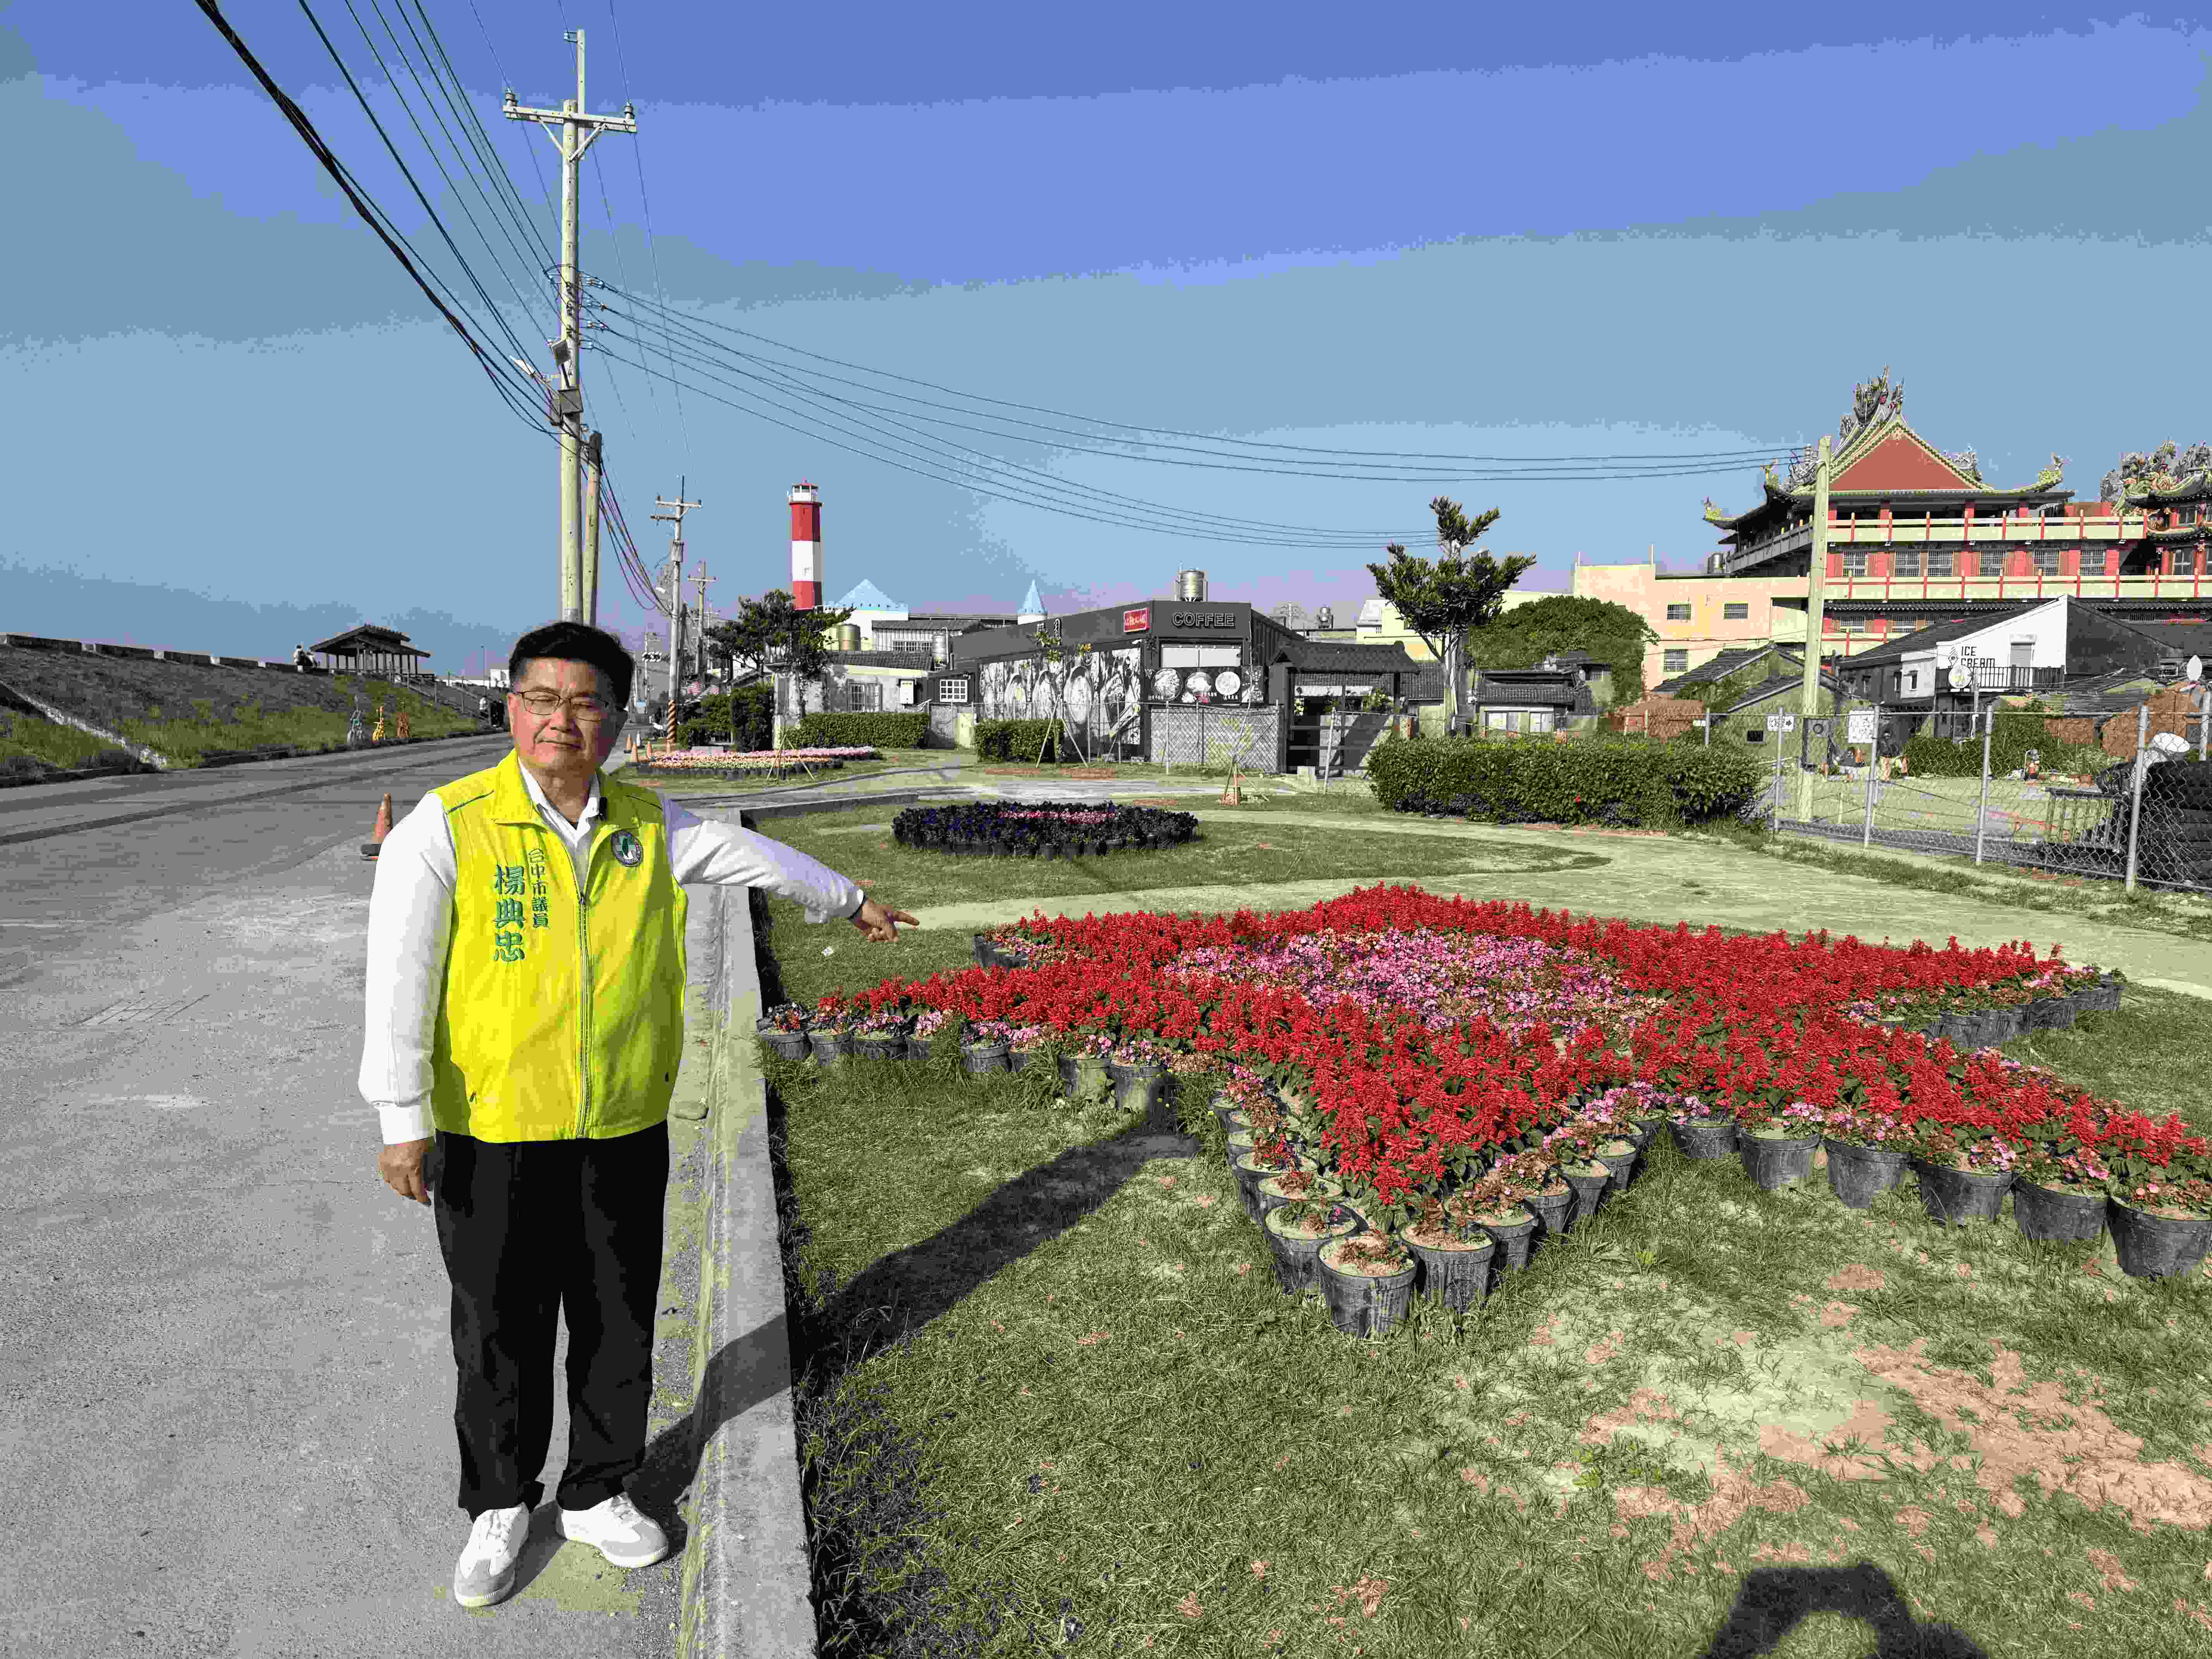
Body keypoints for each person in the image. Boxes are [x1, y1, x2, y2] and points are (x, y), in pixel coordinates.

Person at [359, 620, 917, 1612]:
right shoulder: (446, 827)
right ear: (512, 708)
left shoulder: (649, 825)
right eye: (541, 699)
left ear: (618, 719)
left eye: (586, 704)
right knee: (497, 1329)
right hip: (490, 1131)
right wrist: (402, 1116)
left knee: (616, 1323)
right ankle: (500, 1504)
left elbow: (751, 857)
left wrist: (850, 899)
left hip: (621, 1125)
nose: (560, 721)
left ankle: (596, 1490)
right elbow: (399, 980)